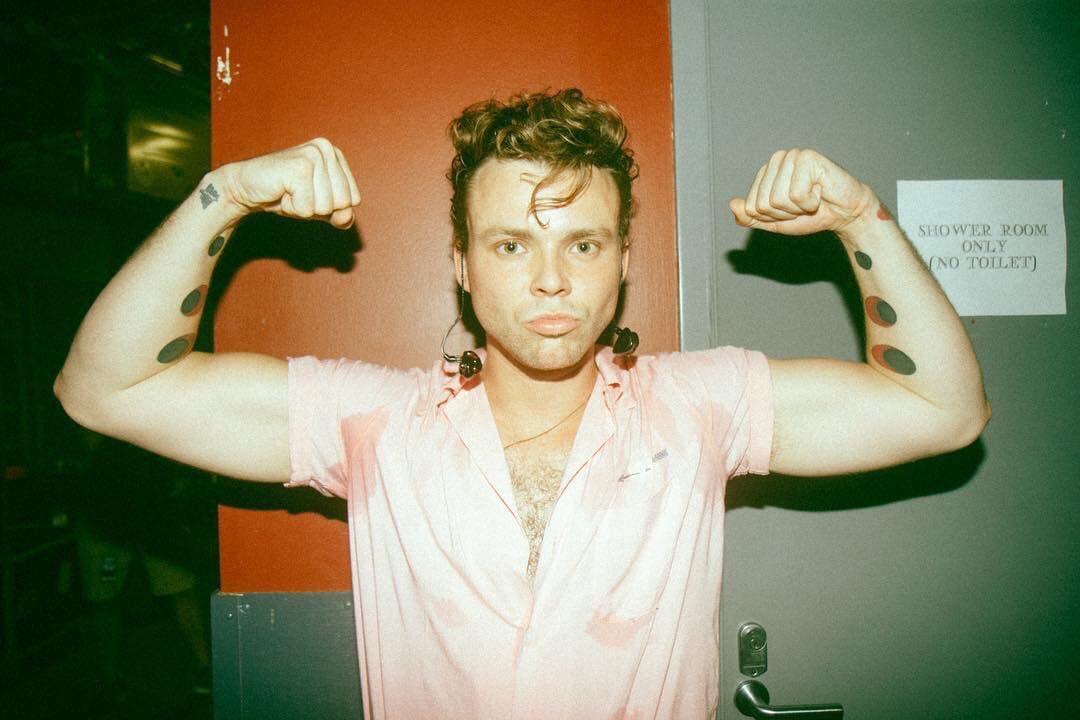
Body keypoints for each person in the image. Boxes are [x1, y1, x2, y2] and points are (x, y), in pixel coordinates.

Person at [54, 88, 989, 719]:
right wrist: (222, 196)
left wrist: (860, 217)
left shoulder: (703, 408)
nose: (550, 280)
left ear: (622, 262)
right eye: (510, 245)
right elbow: (105, 390)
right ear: (462, 267)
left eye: (583, 244)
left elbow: (942, 410)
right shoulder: (372, 424)